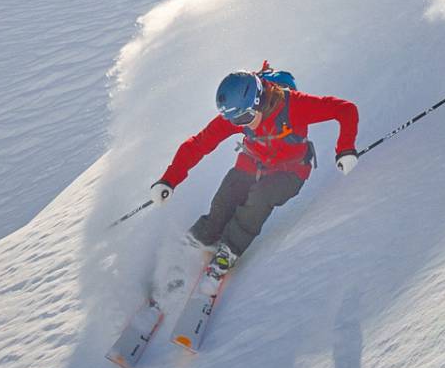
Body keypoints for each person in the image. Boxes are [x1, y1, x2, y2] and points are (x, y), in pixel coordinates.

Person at [150, 65, 361, 271]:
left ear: (259, 101)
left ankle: (229, 250)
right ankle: (197, 241)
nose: (242, 124)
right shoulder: (238, 114)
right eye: (234, 120)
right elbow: (199, 144)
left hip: (290, 171)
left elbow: (345, 109)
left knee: (260, 198)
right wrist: (169, 179)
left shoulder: (294, 106)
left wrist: (345, 149)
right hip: (253, 163)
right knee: (226, 198)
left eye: (245, 118)